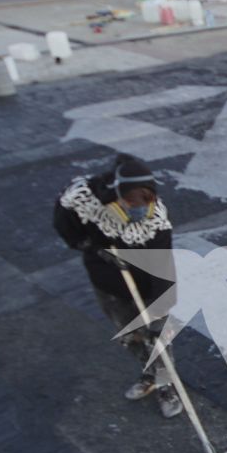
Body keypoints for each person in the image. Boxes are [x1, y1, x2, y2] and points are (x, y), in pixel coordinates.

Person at [53, 154, 183, 416]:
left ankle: (165, 383)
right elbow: (64, 223)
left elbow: (162, 265)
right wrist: (90, 246)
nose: (139, 208)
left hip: (147, 285)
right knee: (130, 337)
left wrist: (160, 311)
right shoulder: (83, 198)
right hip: (109, 284)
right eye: (130, 202)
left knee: (158, 340)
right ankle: (148, 374)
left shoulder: (156, 219)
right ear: (116, 195)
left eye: (145, 202)